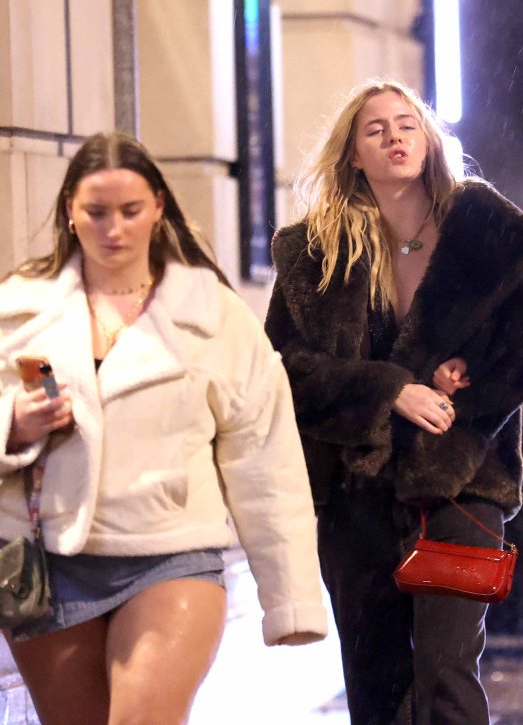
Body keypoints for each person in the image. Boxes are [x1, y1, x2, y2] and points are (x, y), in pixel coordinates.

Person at [0, 132, 328, 725]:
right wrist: (13, 427)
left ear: (158, 205)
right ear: (70, 211)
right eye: (96, 213)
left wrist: (291, 597)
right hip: (51, 559)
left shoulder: (211, 314)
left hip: (172, 553)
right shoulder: (20, 310)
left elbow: (265, 457)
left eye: (130, 211)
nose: (114, 230)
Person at [265, 80, 523, 724]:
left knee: (447, 672)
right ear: (353, 156)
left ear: (429, 141)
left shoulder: (484, 235)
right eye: (375, 130)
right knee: (376, 682)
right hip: (354, 489)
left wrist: (465, 381)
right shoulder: (314, 255)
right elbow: (285, 369)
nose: (394, 137)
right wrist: (389, 388)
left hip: (461, 479)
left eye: (406, 124)